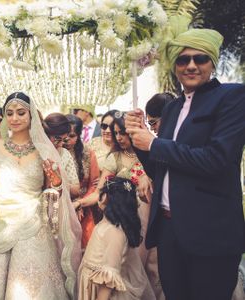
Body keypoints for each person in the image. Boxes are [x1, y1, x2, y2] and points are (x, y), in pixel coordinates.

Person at [125, 20, 245, 300]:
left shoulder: (232, 97)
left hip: (210, 232)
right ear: (175, 66)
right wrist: (140, 140)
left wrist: (155, 143)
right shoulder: (174, 107)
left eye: (200, 58)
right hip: (170, 232)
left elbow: (217, 159)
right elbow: (160, 168)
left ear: (211, 63)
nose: (191, 65)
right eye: (183, 59)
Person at [0, 92, 82, 299]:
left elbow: (54, 191)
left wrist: (57, 183)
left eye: (21, 113)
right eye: (10, 113)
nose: (14, 118)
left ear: (31, 115)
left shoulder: (45, 150)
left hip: (32, 223)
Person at [78, 177, 155, 300]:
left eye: (102, 193)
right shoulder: (106, 223)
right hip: (91, 282)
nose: (99, 197)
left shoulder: (115, 233)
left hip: (100, 291)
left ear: (108, 199)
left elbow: (109, 278)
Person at [64, 114, 100, 249]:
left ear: (79, 135)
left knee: (87, 242)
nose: (66, 139)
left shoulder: (87, 153)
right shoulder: (56, 152)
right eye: (64, 134)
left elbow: (94, 184)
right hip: (61, 205)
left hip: (85, 206)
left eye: (71, 136)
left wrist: (80, 204)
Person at [43, 112, 81, 199]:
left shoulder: (65, 154)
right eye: (57, 139)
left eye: (63, 140)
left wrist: (60, 179)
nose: (60, 144)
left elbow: (76, 190)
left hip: (60, 203)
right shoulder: (35, 153)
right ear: (46, 134)